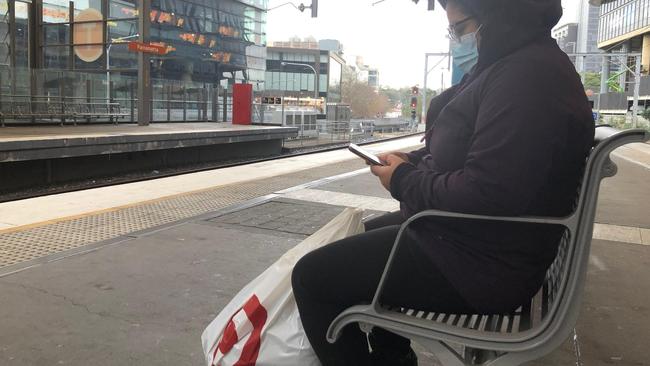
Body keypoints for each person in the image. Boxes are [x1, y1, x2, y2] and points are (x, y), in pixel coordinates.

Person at [291, 0, 595, 365]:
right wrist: (413, 162)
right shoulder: (521, 63)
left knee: (313, 278)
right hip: (473, 240)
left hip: (481, 264)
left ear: (496, 14)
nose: (458, 39)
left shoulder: (526, 77)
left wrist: (403, 179)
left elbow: (489, 190)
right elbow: (479, 151)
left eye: (461, 28)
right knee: (352, 246)